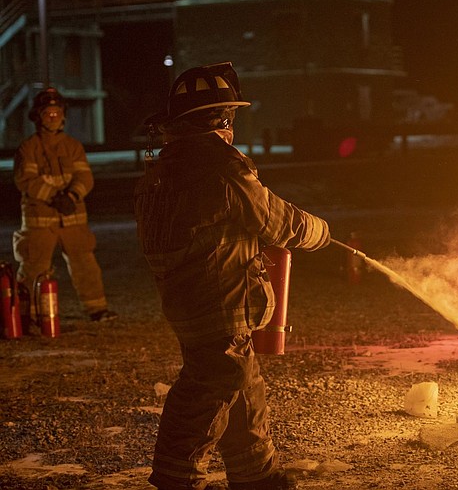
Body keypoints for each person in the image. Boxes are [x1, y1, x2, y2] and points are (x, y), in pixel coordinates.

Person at [134, 62, 330, 490]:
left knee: (242, 382)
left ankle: (256, 474)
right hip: (221, 298)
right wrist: (320, 231)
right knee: (209, 387)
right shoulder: (224, 164)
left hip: (184, 299)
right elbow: (275, 222)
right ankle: (175, 478)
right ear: (223, 119)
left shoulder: (163, 169)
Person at [12, 87, 118, 323]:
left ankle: (97, 309)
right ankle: (24, 316)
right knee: (33, 267)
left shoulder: (73, 146)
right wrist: (53, 196)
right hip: (40, 221)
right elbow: (25, 180)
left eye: (56, 112)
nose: (53, 116)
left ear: (63, 115)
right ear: (37, 116)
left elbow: (85, 177)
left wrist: (71, 197)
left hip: (72, 219)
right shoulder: (28, 148)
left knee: (85, 265)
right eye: (48, 112)